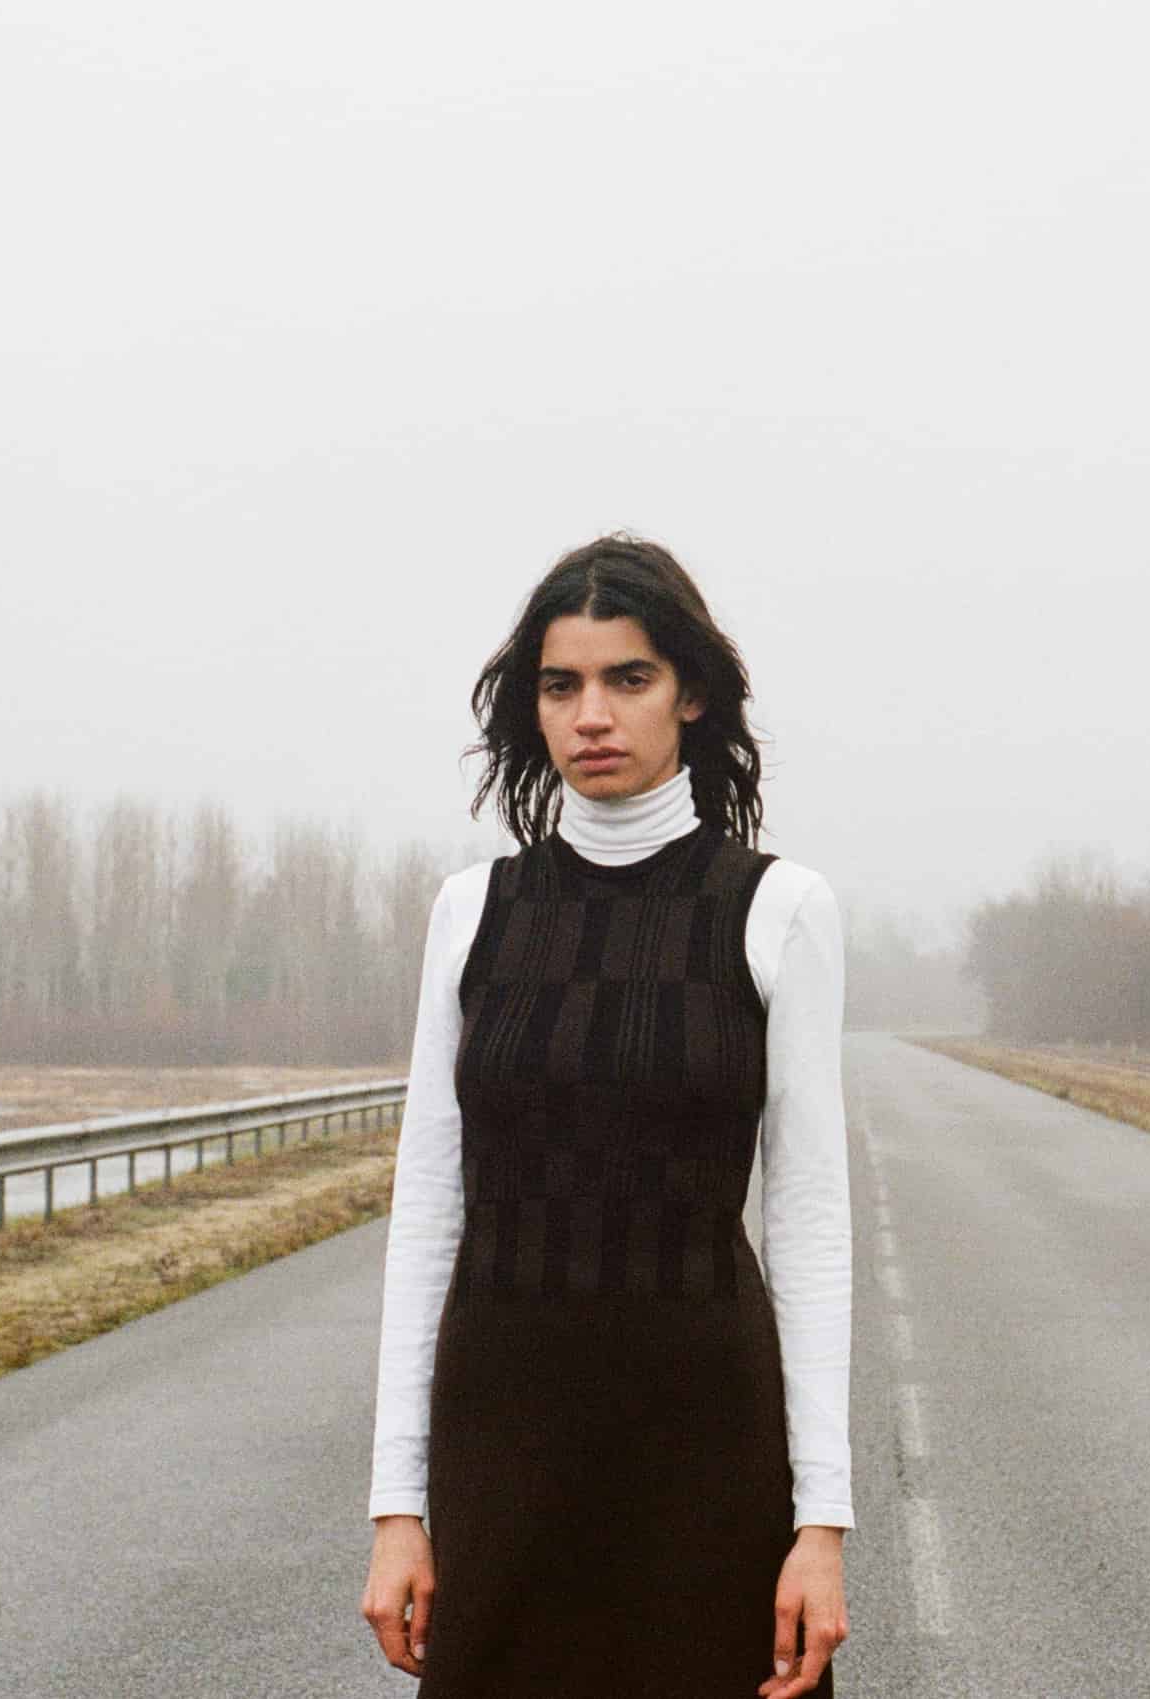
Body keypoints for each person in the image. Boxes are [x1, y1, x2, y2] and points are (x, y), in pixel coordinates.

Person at [360, 533, 854, 1697]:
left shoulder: (777, 909)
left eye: (627, 677)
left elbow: (809, 1224)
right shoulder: (470, 911)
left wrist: (821, 1523)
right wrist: (396, 1505)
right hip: (502, 1442)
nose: (592, 714)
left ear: (690, 692)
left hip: (707, 1446)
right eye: (560, 683)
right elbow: (427, 1211)